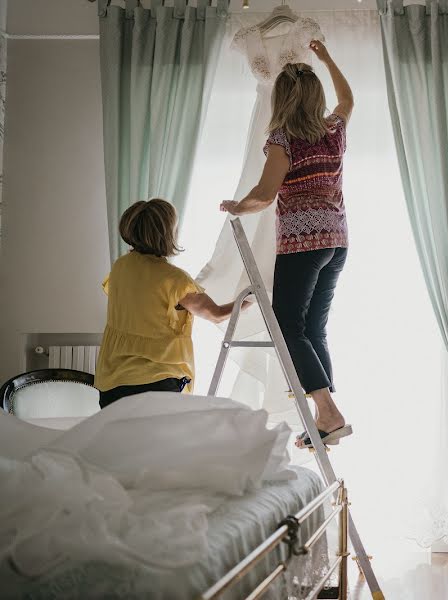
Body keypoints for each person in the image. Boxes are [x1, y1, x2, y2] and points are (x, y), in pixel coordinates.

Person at [220, 40, 353, 448]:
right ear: (315, 96)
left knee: (287, 325)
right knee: (313, 327)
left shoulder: (283, 138)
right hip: (337, 241)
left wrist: (237, 206)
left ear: (281, 99)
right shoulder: (333, 130)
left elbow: (266, 192)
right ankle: (325, 416)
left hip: (303, 243)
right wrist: (328, 58)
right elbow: (347, 98)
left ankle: (328, 411)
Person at [95, 199, 247, 408]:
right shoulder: (173, 279)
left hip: (111, 382)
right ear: (167, 233)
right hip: (155, 383)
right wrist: (250, 300)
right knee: (164, 441)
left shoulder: (120, 267)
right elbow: (216, 314)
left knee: (120, 441)